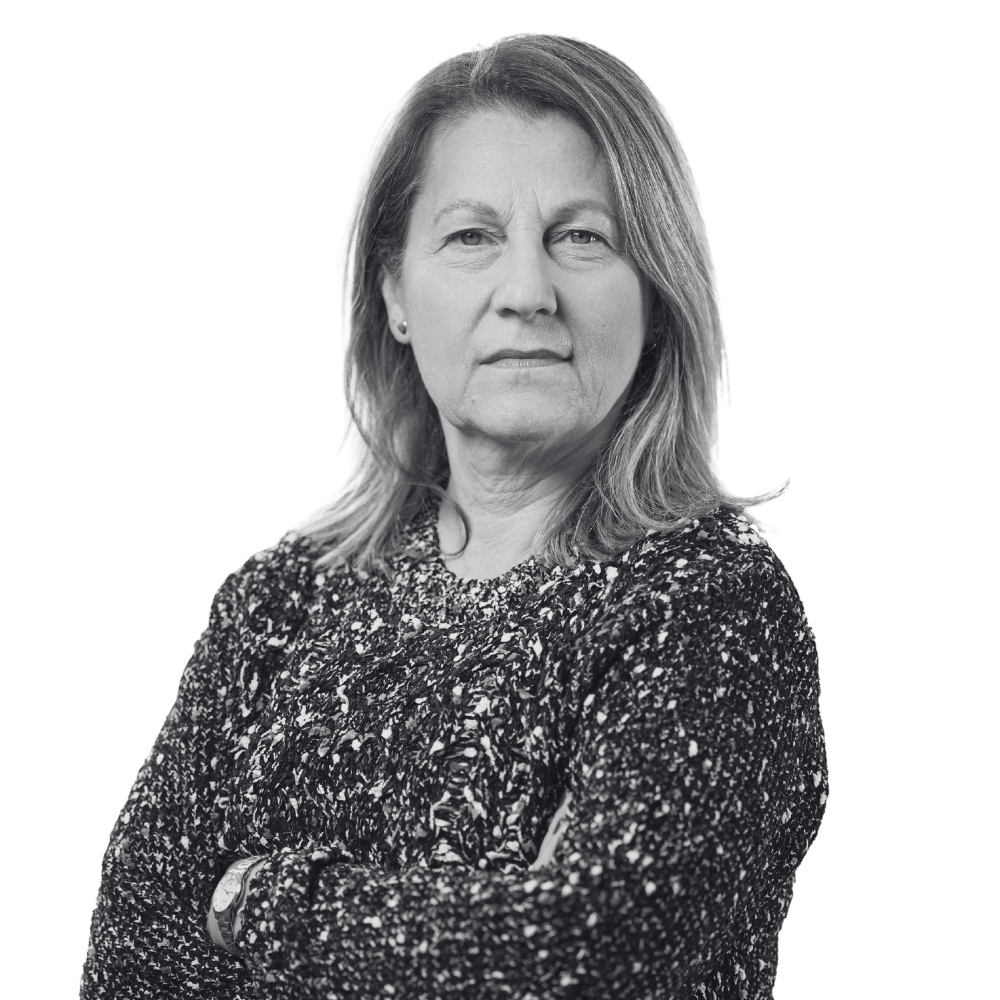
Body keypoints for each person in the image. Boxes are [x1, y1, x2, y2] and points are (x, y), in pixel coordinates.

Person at [79, 32, 830, 1000]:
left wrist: (255, 899)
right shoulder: (278, 602)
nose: (527, 293)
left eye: (583, 237)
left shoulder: (710, 605)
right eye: (472, 237)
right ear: (394, 290)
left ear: (656, 291)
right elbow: (132, 961)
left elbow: (580, 951)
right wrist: (481, 917)